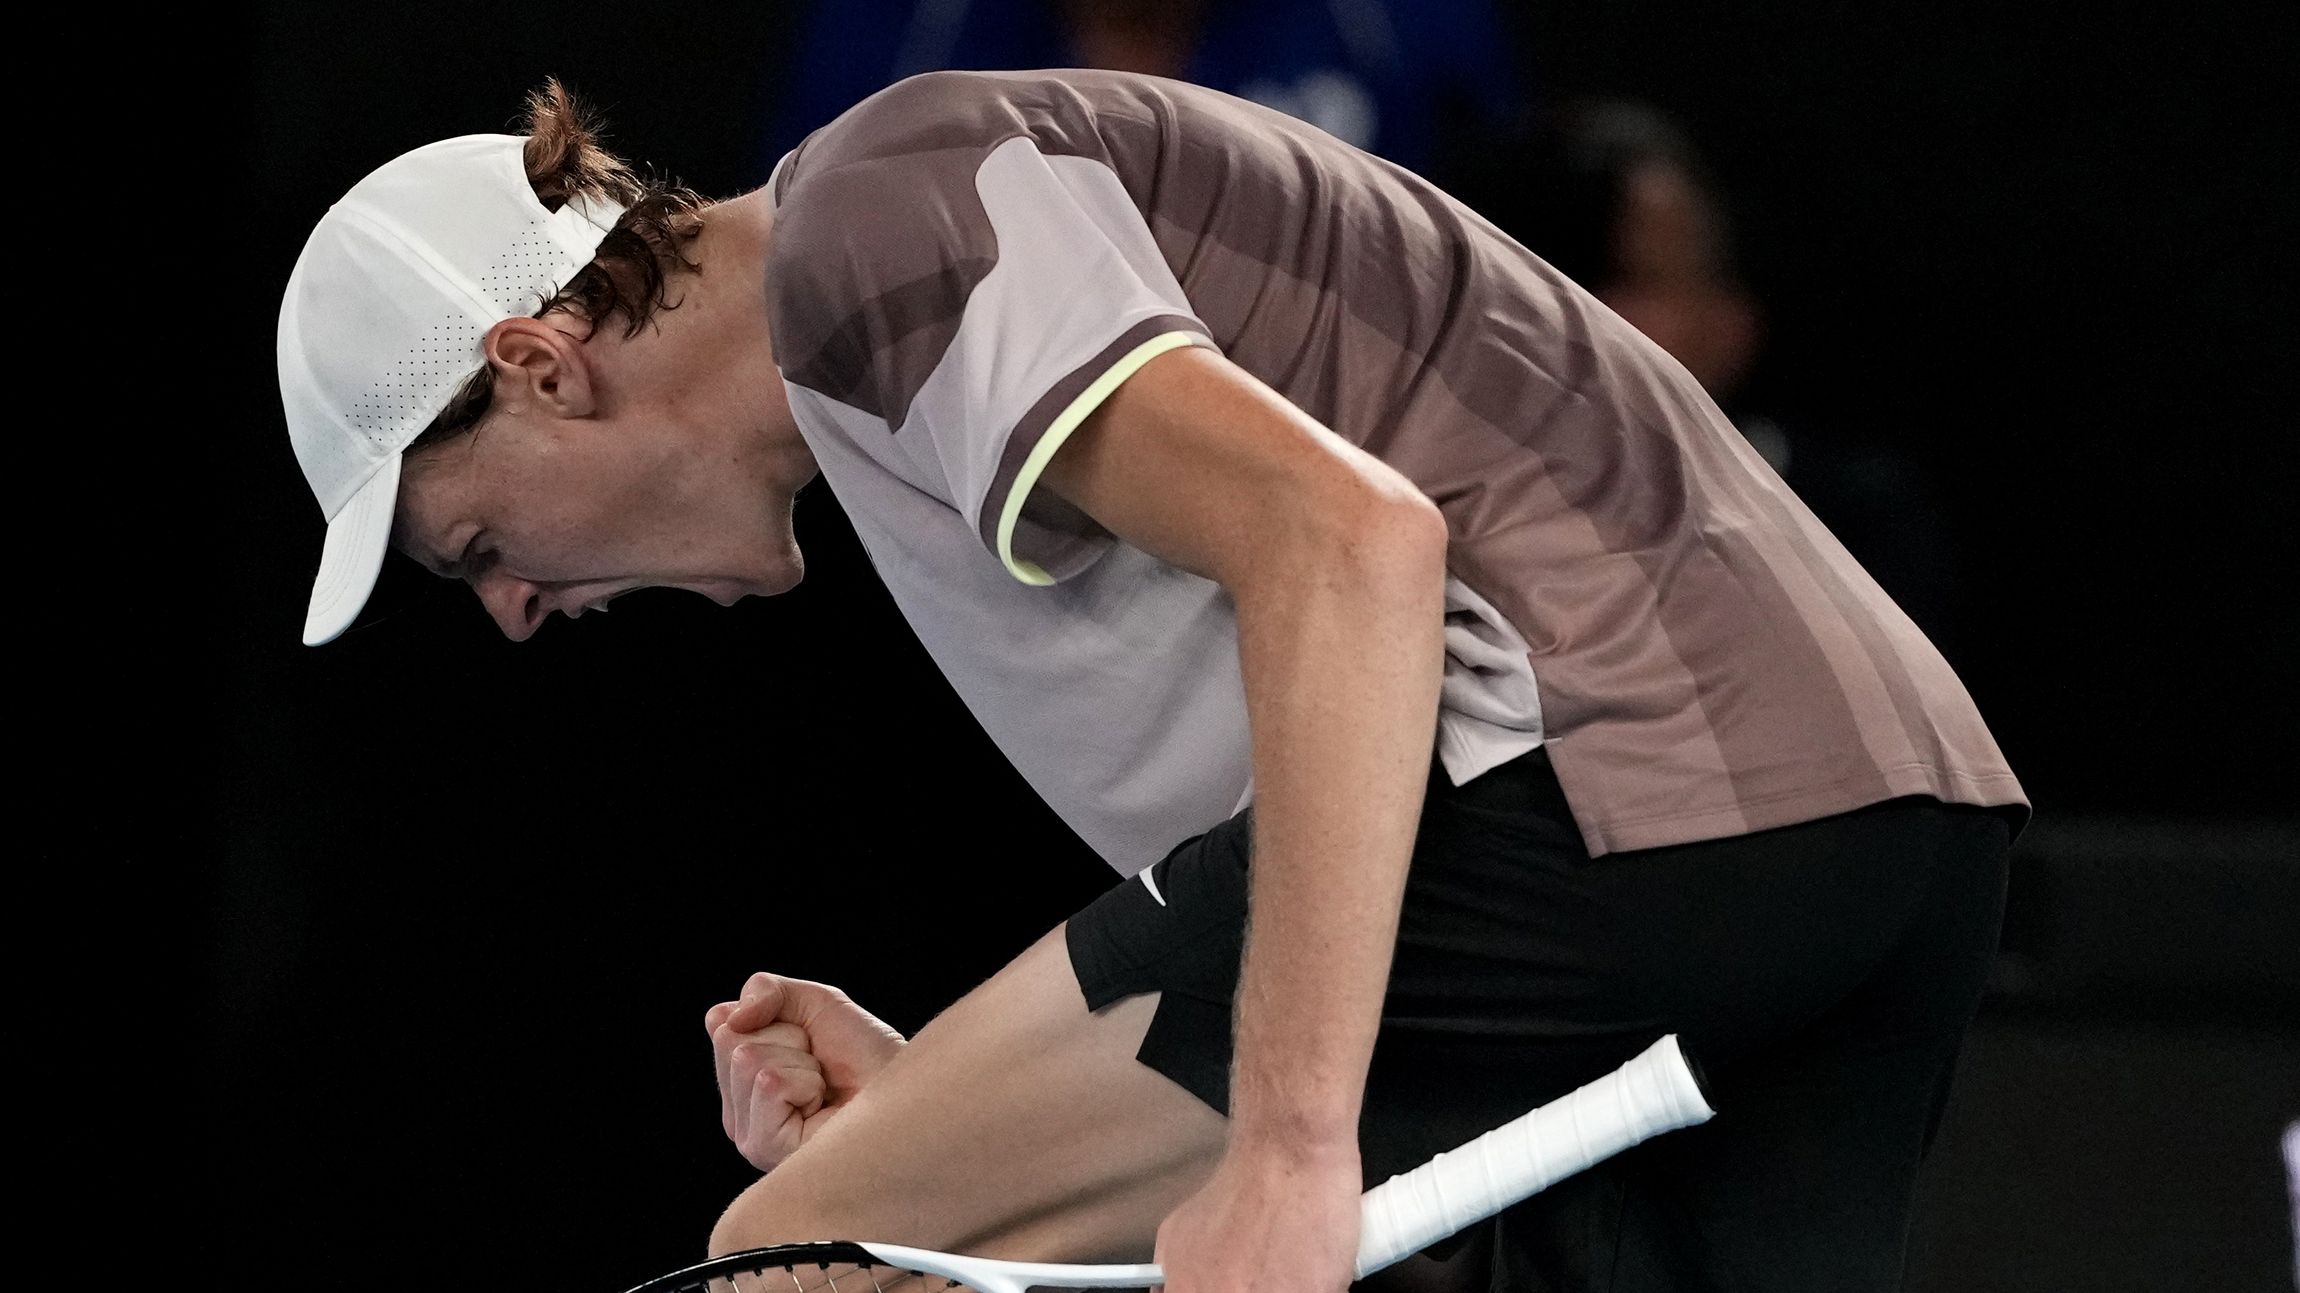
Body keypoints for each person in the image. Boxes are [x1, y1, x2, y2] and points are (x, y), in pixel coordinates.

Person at [275, 72, 2029, 1291]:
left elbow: (1354, 548)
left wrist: (1271, 1143)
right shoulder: (887, 319)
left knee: (815, 1266)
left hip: (1627, 792)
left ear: (538, 365)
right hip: (1884, 817)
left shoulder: (870, 234)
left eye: (465, 546)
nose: (507, 606)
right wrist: (994, 1122)